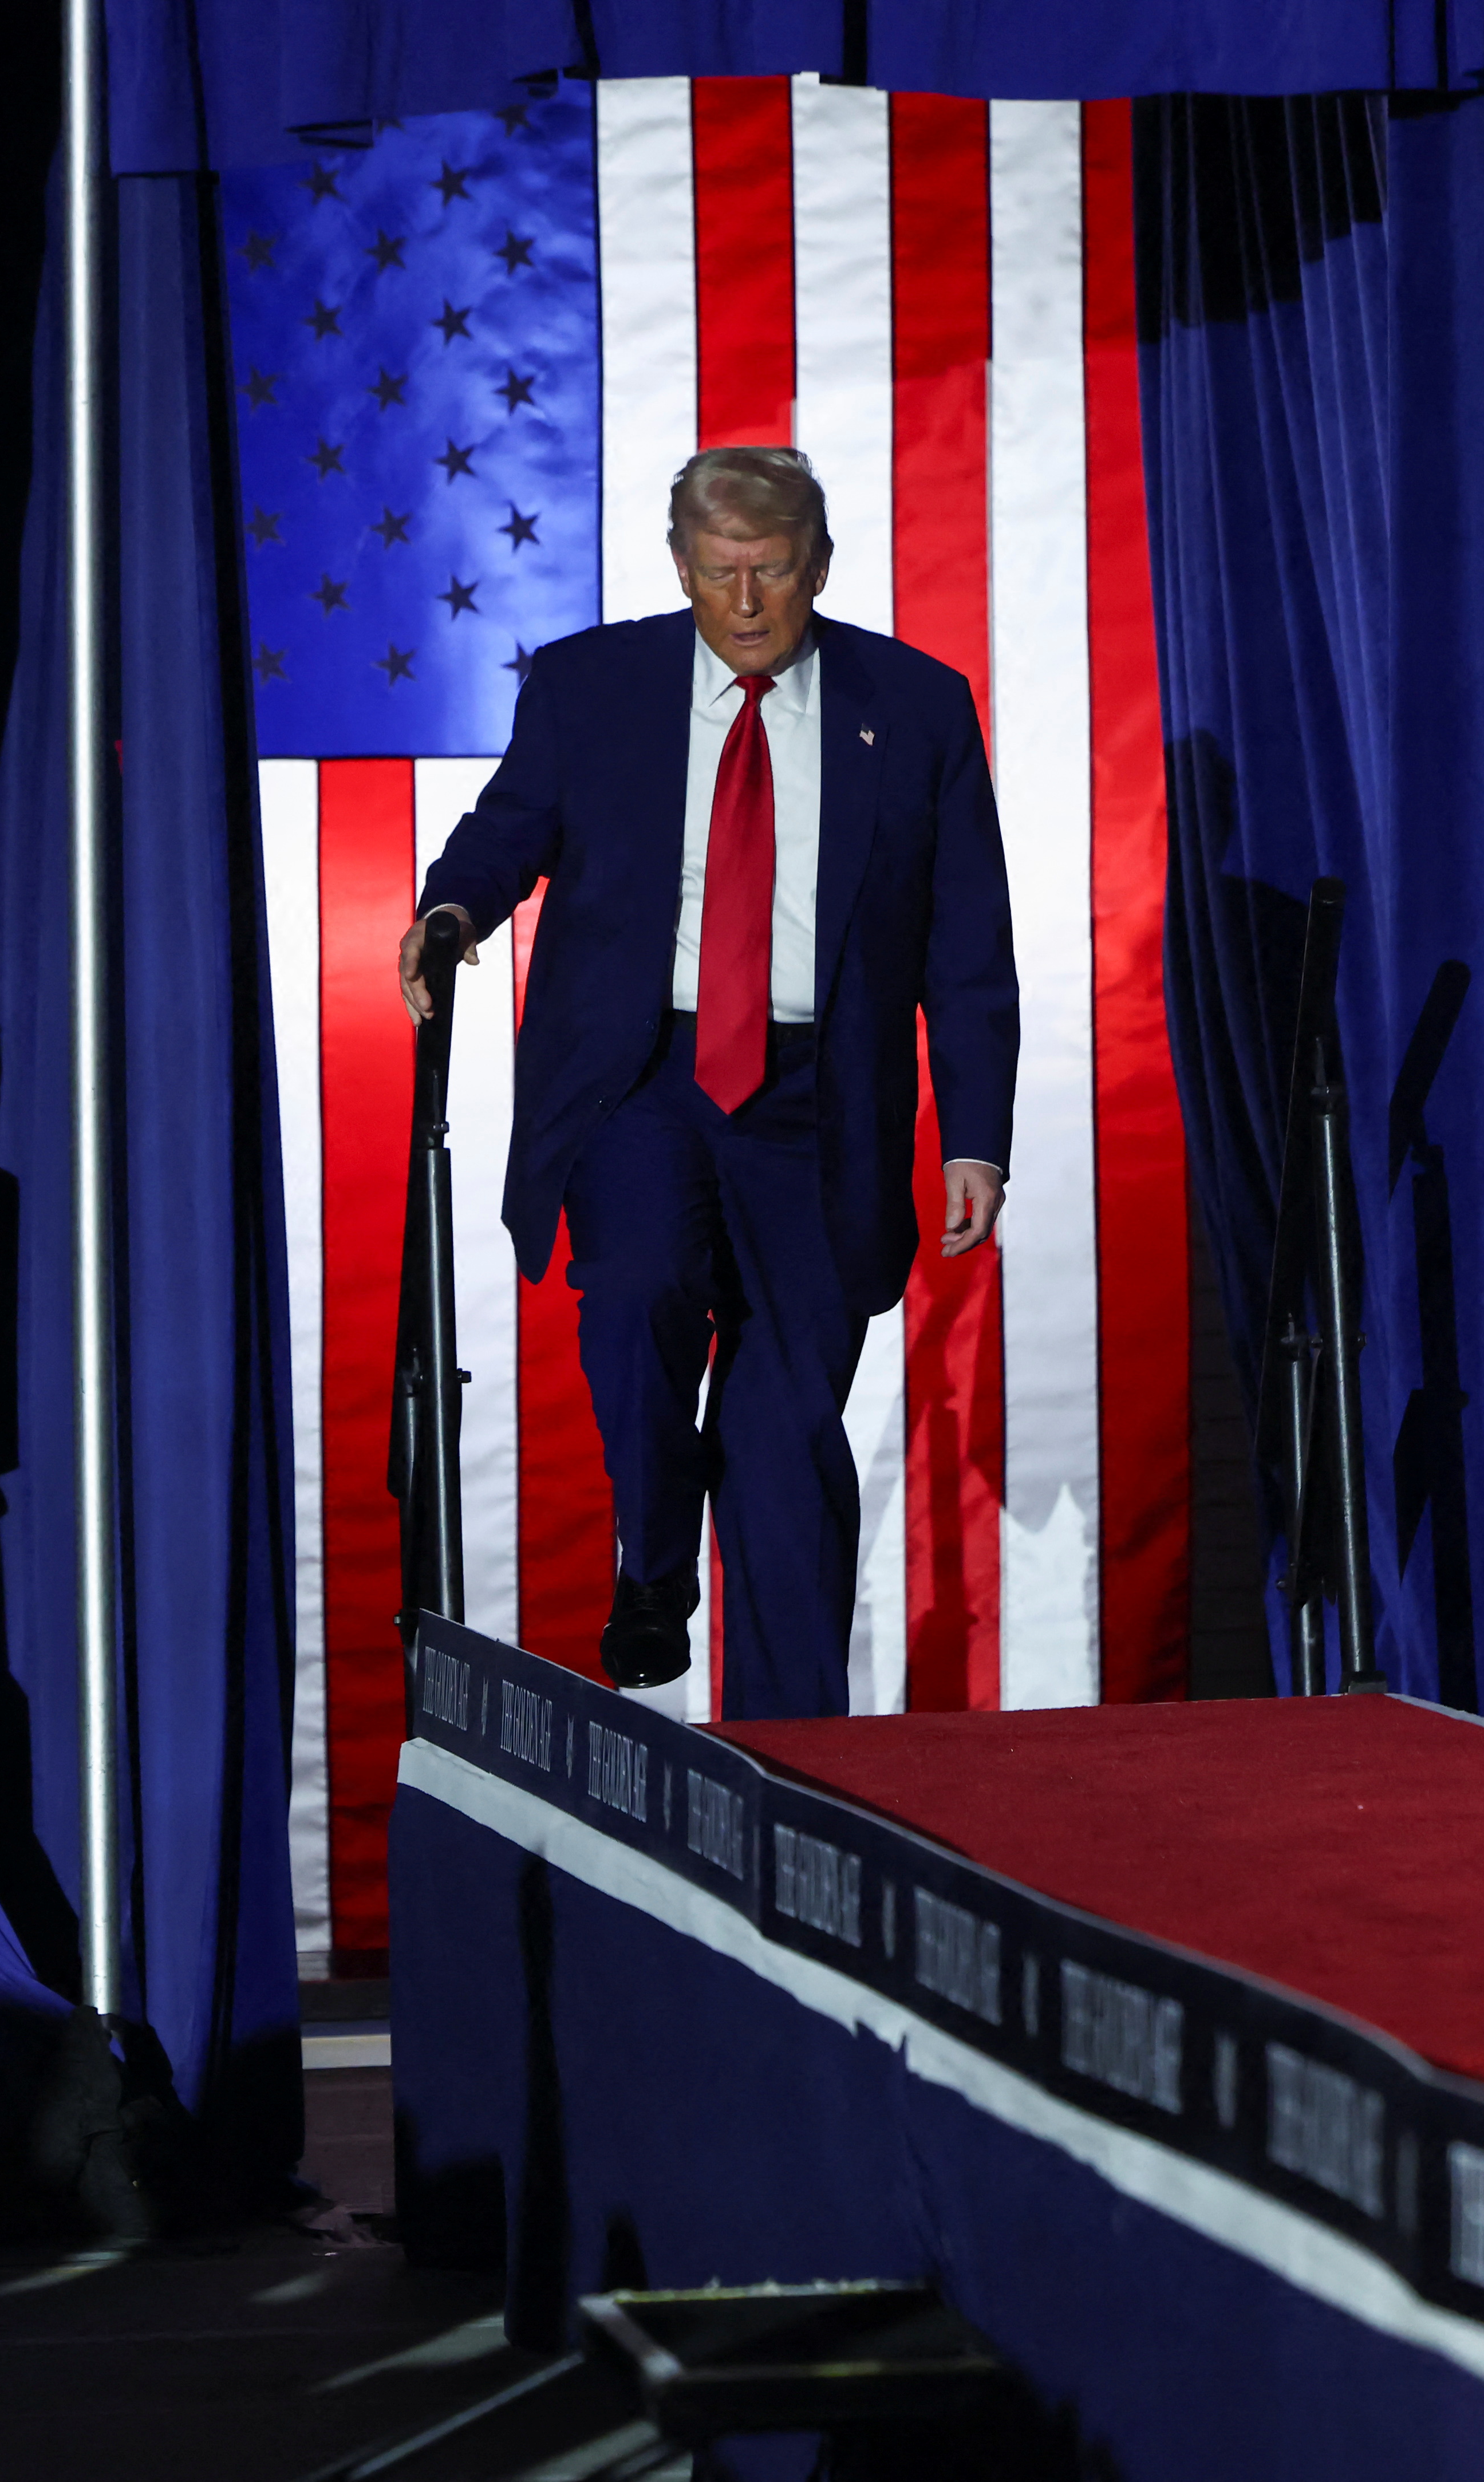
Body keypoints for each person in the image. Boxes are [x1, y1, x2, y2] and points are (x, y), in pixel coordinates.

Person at [399, 446, 1016, 1715]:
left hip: (817, 1099)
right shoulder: (591, 688)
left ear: (820, 567)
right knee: (633, 1290)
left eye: (773, 571)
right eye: (721, 571)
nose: (745, 601)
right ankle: (655, 1558)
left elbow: (967, 941)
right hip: (645, 1074)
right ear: (679, 564)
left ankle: (804, 1757)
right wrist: (451, 913)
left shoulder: (916, 708)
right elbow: (507, 831)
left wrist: (976, 1133)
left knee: (786, 1437)